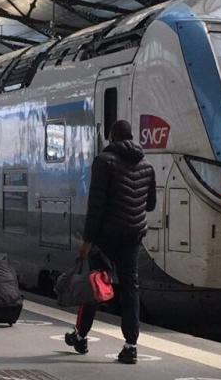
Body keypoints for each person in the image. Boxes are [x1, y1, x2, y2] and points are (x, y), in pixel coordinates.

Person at [65, 120, 156, 364]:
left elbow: (96, 206)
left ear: (112, 137)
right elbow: (150, 204)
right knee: (130, 288)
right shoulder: (147, 165)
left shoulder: (104, 162)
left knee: (95, 285)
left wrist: (87, 240)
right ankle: (130, 346)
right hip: (133, 235)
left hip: (106, 237)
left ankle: (81, 336)